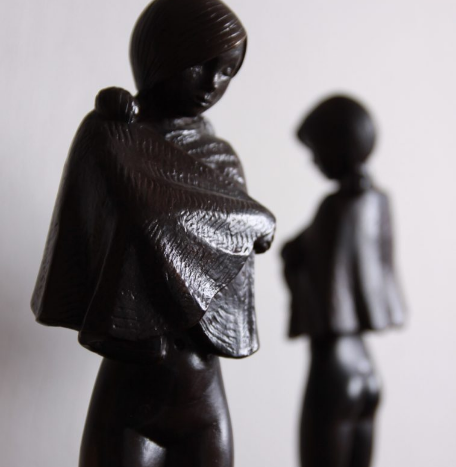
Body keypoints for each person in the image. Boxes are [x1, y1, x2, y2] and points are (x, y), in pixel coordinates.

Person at [31, 1, 276, 466]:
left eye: (227, 71)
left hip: (203, 395)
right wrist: (253, 216)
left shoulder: (219, 157)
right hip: (130, 394)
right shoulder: (111, 138)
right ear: (160, 54)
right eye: (200, 64)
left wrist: (247, 219)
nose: (212, 83)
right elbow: (150, 213)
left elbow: (231, 241)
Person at [282, 95, 405, 467]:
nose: (313, 161)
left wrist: (291, 255)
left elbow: (309, 269)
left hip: (332, 369)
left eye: (316, 151)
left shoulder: (332, 209)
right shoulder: (378, 202)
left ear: (335, 148)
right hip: (366, 370)